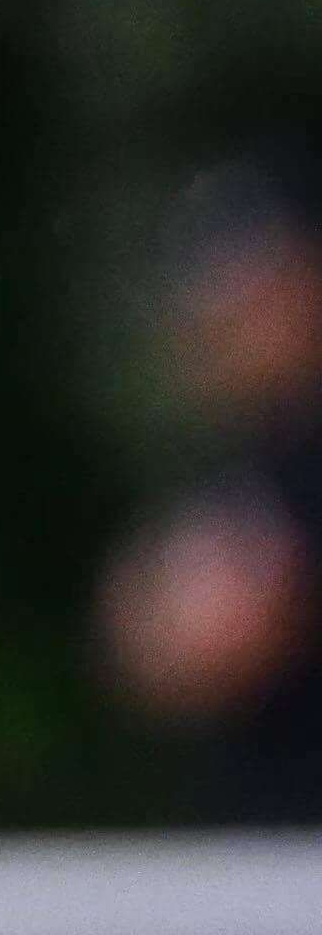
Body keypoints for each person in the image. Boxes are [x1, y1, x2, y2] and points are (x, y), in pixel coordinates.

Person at [102, 155, 322, 819]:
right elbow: (155, 648)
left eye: (254, 294)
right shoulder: (253, 462)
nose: (223, 326)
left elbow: (217, 628)